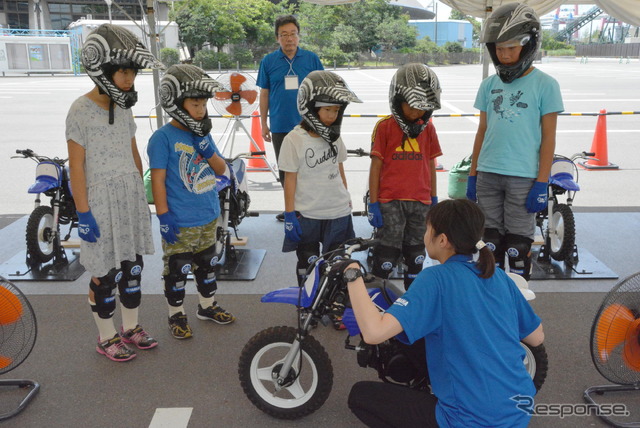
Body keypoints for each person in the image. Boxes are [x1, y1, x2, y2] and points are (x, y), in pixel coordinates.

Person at [340, 199, 545, 427]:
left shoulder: (435, 279)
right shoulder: (497, 276)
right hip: (518, 408)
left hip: (471, 420)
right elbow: (537, 337)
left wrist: (353, 275)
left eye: (428, 229)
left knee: (360, 395)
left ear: (443, 240)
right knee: (418, 343)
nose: (425, 235)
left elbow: (373, 333)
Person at [66, 24, 163, 362]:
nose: (129, 79)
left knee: (131, 267)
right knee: (104, 274)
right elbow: (75, 166)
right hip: (99, 202)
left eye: (132, 72)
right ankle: (106, 336)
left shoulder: (123, 106)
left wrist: (141, 192)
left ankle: (131, 327)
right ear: (103, 69)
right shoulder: (80, 109)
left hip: (127, 196)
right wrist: (83, 212)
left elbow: (132, 149)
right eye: (123, 71)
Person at [466, 2, 564, 280]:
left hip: (524, 177)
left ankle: (518, 303)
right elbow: (482, 131)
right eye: (499, 48)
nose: (505, 55)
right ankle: (490, 298)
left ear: (529, 45)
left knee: (518, 247)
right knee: (489, 243)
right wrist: (472, 175)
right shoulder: (488, 85)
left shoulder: (545, 85)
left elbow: (548, 138)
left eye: (512, 47)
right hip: (488, 173)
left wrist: (542, 182)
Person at [147, 64, 236, 340]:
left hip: (207, 214)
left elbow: (222, 171)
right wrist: (163, 216)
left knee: (206, 264)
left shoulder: (203, 133)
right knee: (178, 269)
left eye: (203, 104)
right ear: (176, 103)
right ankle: (176, 314)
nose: (200, 110)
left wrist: (207, 150)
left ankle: (206, 307)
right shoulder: (162, 138)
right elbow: (157, 180)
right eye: (194, 104)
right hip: (180, 219)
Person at [278, 70, 361, 327]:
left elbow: (339, 168)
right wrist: (290, 214)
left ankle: (335, 306)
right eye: (327, 110)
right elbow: (289, 178)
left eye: (337, 111)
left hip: (337, 211)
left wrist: (346, 197)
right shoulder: (294, 139)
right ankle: (307, 306)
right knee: (308, 263)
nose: (333, 116)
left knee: (338, 264)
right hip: (309, 214)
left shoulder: (335, 137)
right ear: (310, 108)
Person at [367, 63, 443, 290]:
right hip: (391, 202)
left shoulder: (428, 128)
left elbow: (431, 164)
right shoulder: (384, 127)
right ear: (397, 99)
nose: (416, 112)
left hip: (420, 202)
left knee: (416, 253)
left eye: (422, 108)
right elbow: (376, 166)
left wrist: (434, 197)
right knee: (387, 252)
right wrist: (374, 202)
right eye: (411, 106)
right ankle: (377, 296)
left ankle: (413, 298)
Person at [256, 14, 324, 221]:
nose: (289, 39)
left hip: (308, 125)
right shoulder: (268, 61)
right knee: (286, 169)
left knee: (310, 167)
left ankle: (310, 209)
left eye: (293, 34)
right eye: (283, 35)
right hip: (280, 125)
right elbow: (264, 93)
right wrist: (263, 124)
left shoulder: (311, 59)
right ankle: (291, 210)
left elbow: (321, 89)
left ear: (298, 36)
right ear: (277, 38)